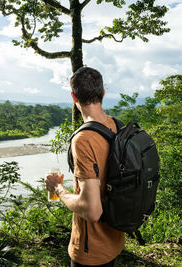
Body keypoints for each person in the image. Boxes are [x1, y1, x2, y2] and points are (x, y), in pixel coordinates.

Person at [45, 67, 125, 267]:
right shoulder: (117, 126)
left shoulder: (83, 140)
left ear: (74, 96)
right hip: (114, 240)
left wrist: (58, 189)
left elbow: (92, 211)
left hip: (91, 251)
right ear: (103, 93)